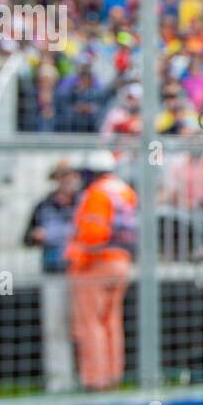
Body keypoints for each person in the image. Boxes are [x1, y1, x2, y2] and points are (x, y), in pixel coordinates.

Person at [64, 150, 137, 391]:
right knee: (111, 322)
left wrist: (77, 258)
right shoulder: (125, 191)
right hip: (121, 261)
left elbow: (93, 235)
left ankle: (95, 380)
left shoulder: (97, 193)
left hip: (96, 264)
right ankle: (113, 375)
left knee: (90, 324)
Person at [24, 159, 83, 392]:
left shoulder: (83, 203)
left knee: (82, 327)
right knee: (56, 328)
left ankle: (86, 378)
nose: (67, 180)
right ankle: (59, 382)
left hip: (81, 273)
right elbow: (26, 237)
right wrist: (37, 235)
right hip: (53, 272)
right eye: (62, 176)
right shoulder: (43, 205)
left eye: (70, 175)